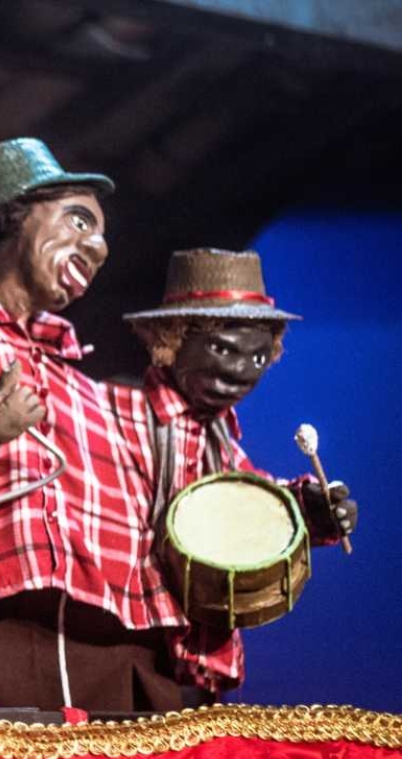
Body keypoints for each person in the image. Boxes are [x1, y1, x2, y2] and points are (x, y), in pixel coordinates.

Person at [0, 138, 187, 711]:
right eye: (79, 220)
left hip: (110, 638)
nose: (97, 247)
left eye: (101, 235)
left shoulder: (89, 388)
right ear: (11, 218)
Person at [110, 247, 358, 698]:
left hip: (193, 663)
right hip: (126, 651)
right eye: (222, 348)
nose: (241, 371)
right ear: (170, 338)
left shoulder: (218, 438)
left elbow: (239, 501)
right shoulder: (116, 414)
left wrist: (308, 512)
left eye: (259, 358)